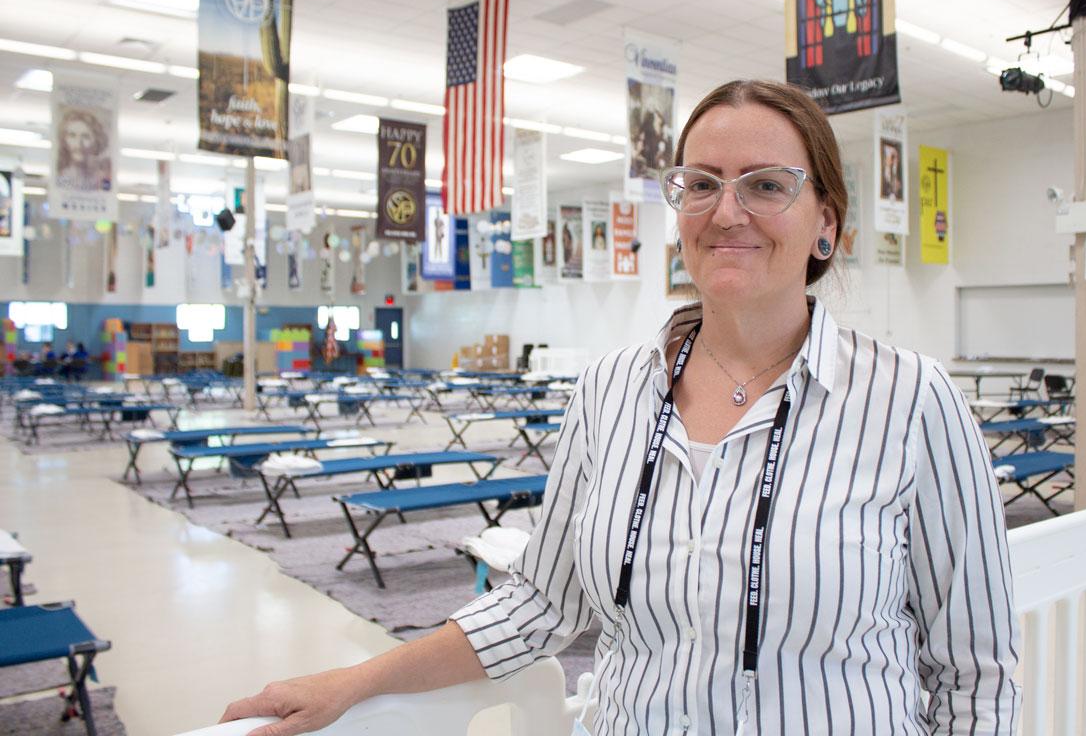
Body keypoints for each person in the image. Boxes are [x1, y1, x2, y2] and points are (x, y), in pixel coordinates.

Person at [219, 80, 1020, 736]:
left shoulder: (911, 401)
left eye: (767, 185)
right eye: (701, 184)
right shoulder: (610, 393)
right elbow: (538, 605)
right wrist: (352, 683)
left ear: (827, 228)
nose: (727, 210)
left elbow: (975, 675)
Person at [56, 108, 112, 192]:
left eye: (85, 136)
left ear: (96, 141)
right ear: (64, 139)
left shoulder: (102, 180)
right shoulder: (60, 176)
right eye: (72, 135)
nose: (79, 144)